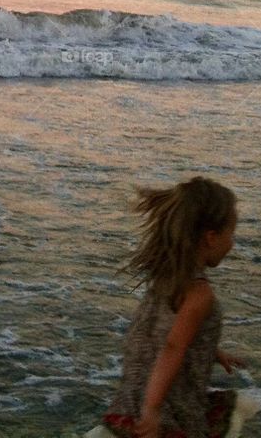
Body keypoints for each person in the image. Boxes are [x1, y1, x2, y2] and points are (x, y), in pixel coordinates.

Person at [98, 176, 245, 438]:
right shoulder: (200, 293)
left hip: (132, 395)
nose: (232, 244)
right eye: (231, 235)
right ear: (211, 237)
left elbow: (168, 330)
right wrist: (153, 410)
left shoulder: (167, 275)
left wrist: (213, 350)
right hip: (165, 404)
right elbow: (173, 346)